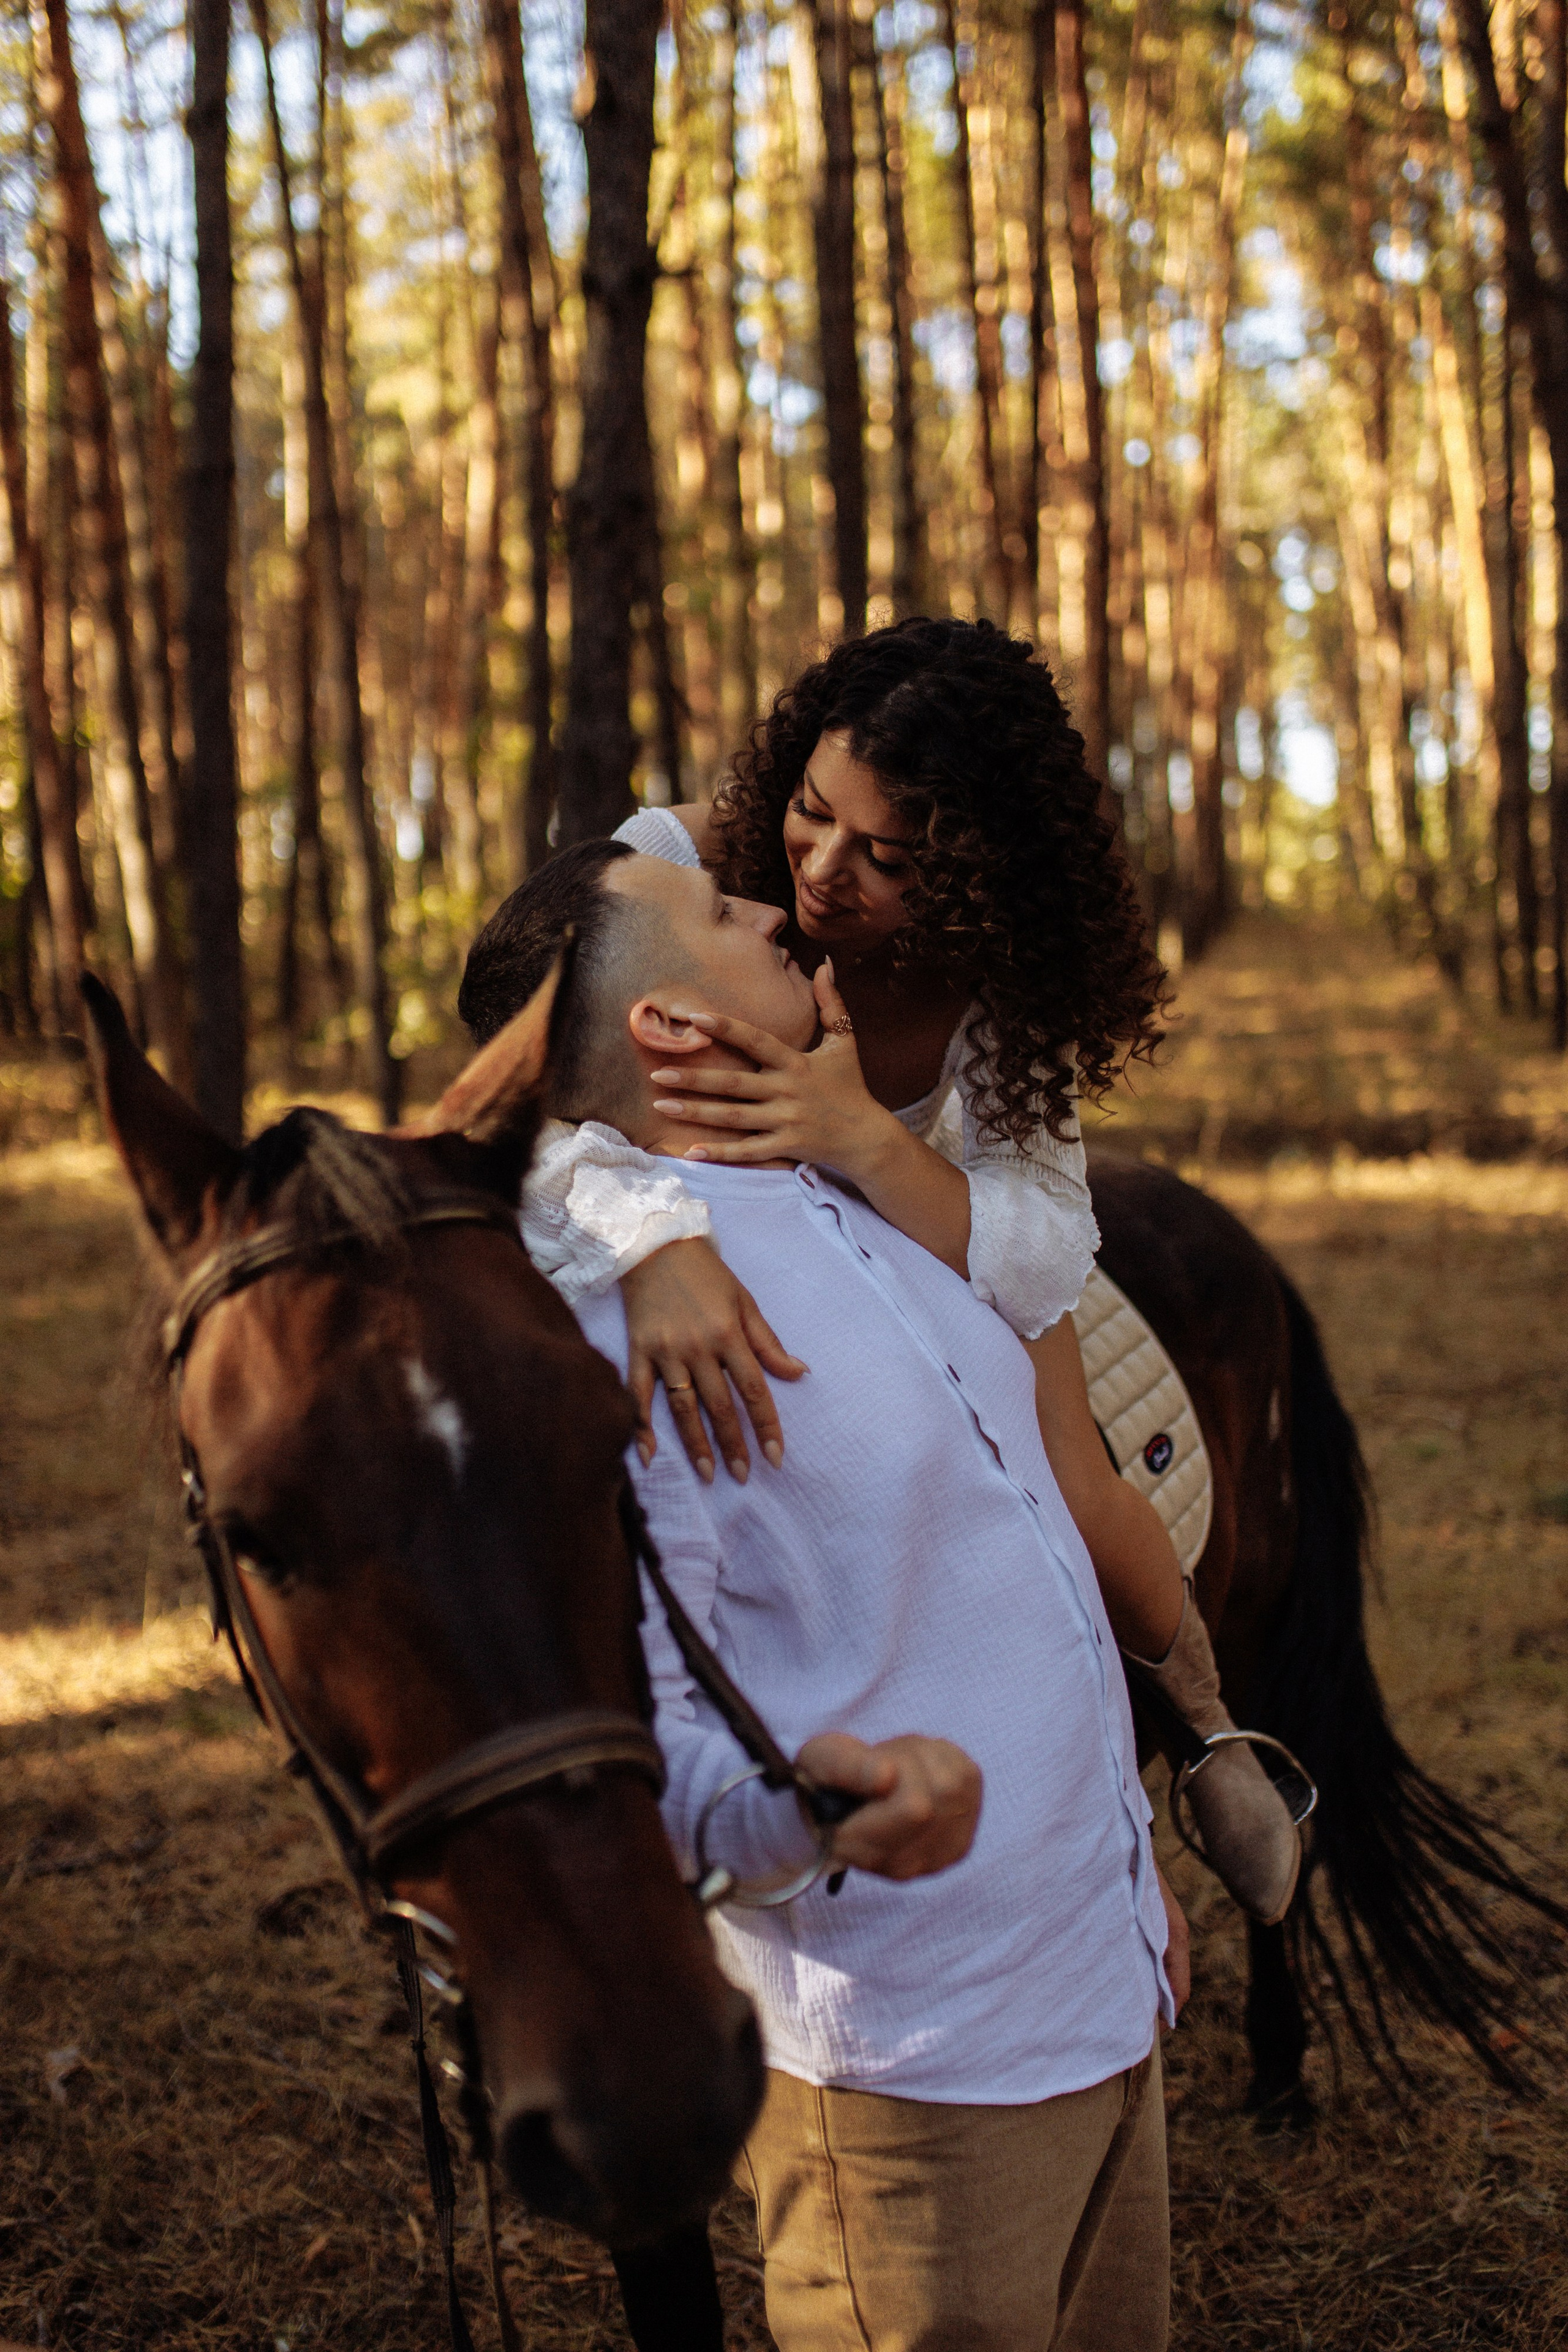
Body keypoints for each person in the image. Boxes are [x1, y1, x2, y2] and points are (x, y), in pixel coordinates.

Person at [466, 836, 1188, 2351]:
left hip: (1102, 2000)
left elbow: (1020, 1569)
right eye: (727, 914)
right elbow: (647, 1747)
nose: (776, 911)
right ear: (668, 1026)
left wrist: (1127, 1882)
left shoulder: (856, 1194)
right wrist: (813, 1811)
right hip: (921, 2082)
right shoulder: (648, 1342)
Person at [466, 618, 1298, 1928]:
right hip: (710, 1206)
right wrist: (652, 1241)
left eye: (884, 857)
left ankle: (1202, 1733)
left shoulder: (996, 997)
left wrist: (862, 1141)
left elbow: (1038, 1246)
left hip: (925, 1222)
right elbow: (533, 1078)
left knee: (1076, 1485)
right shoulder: (685, 861)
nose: (818, 871)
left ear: (968, 875)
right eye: (810, 813)